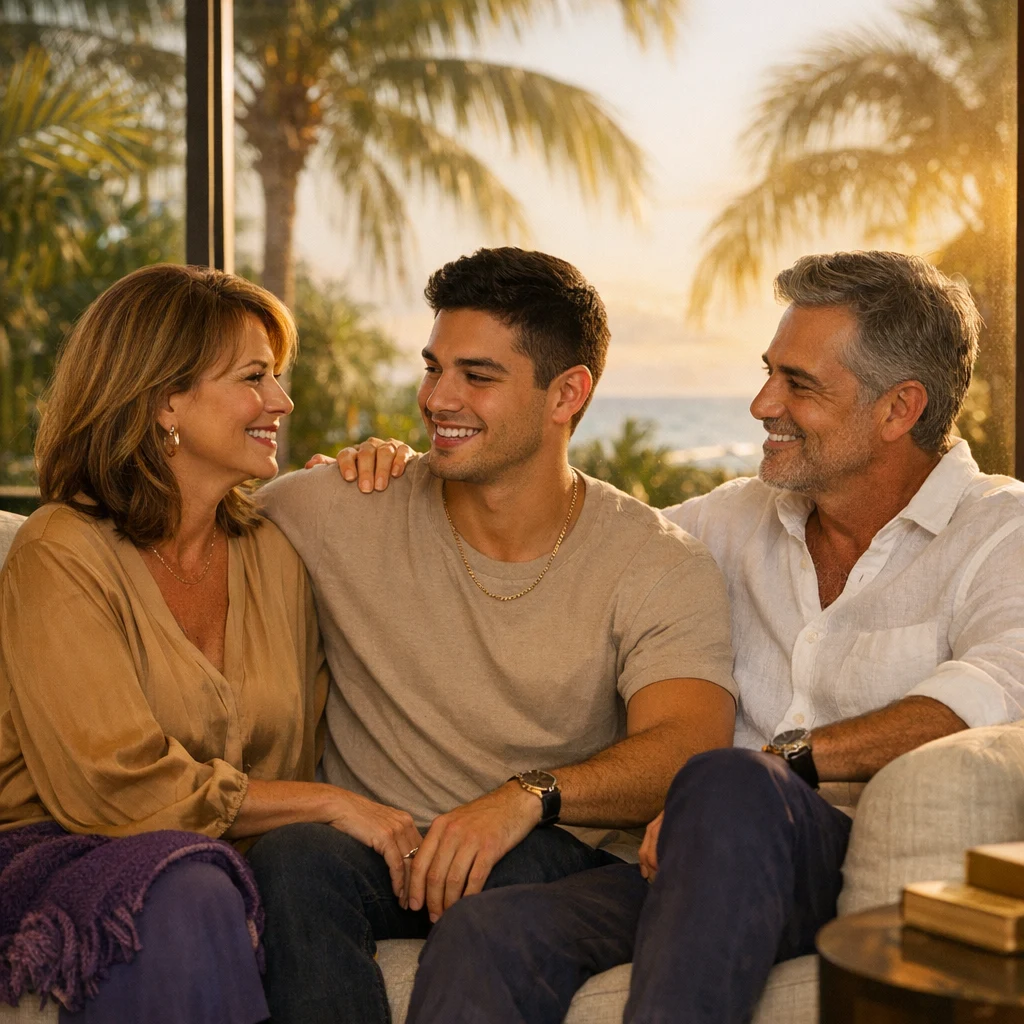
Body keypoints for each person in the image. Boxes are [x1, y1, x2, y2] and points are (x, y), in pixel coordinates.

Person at [346, 250, 1024, 1024]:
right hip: (690, 860)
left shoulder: (1000, 533)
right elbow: (573, 543)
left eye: (797, 384)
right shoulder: (724, 523)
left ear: (899, 408)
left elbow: (989, 693)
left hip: (843, 860)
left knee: (731, 781)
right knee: (486, 933)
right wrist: (426, 467)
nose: (762, 402)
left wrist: (779, 765)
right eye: (769, 370)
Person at [253, 246, 738, 1024]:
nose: (438, 398)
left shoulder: (653, 560)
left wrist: (527, 799)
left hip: (548, 852)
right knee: (293, 859)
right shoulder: (340, 505)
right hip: (377, 848)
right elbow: (182, 522)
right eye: (432, 367)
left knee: (513, 886)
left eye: (477, 377)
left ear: (565, 395)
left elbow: (689, 746)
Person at [0, 264, 423, 1023]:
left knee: (222, 884)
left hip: (225, 862)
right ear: (165, 397)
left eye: (278, 377)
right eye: (254, 377)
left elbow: (296, 745)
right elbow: (109, 785)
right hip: (58, 849)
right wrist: (329, 804)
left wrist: (387, 473)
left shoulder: (272, 552)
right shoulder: (60, 550)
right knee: (192, 889)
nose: (282, 403)